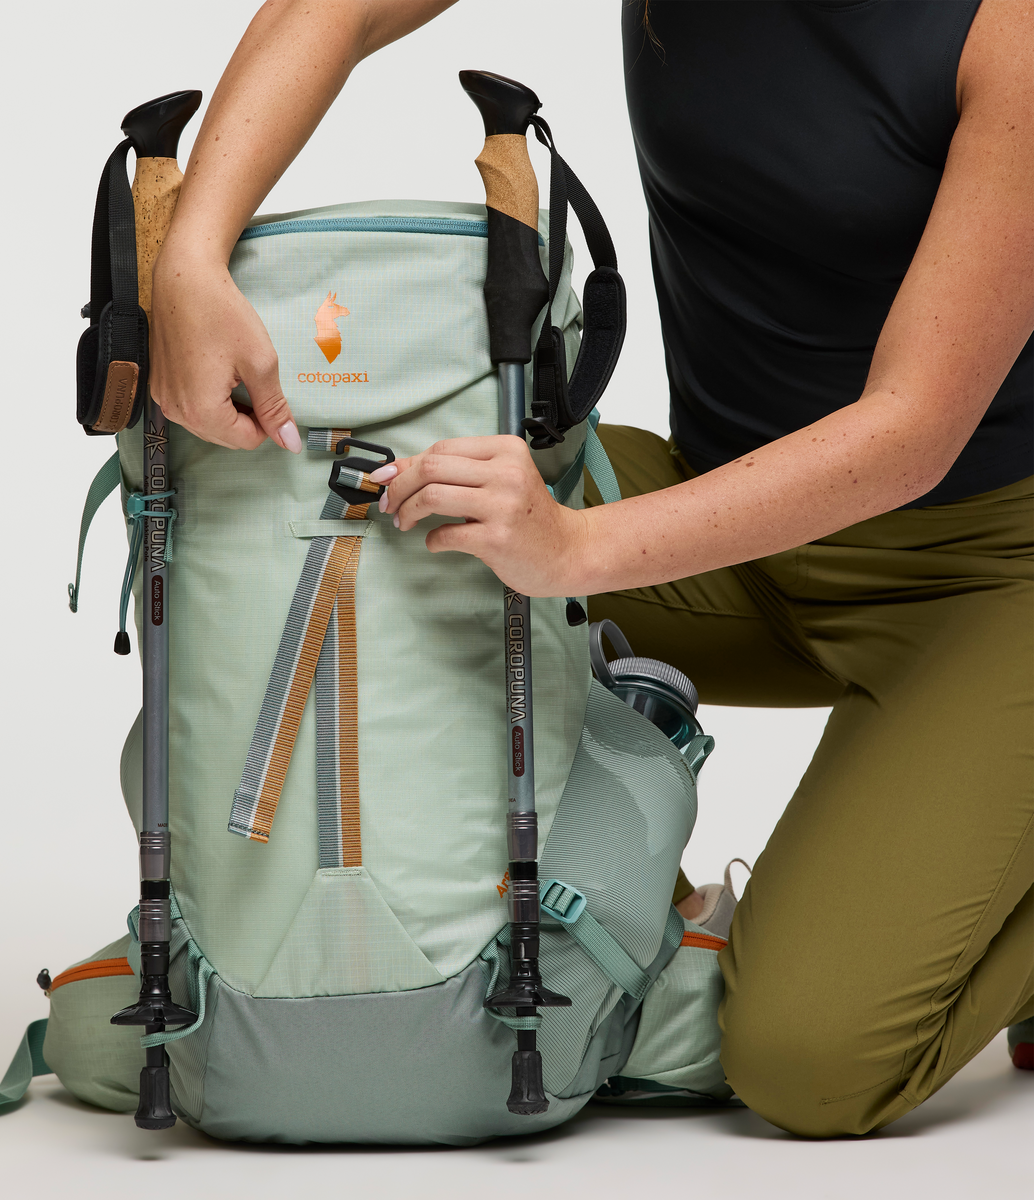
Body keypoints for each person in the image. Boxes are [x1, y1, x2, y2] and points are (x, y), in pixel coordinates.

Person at [147, 0, 1033, 1137]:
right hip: (739, 522)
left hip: (990, 576)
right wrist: (194, 252)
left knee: (809, 1063)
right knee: (389, 518)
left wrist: (571, 549)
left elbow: (912, 429)